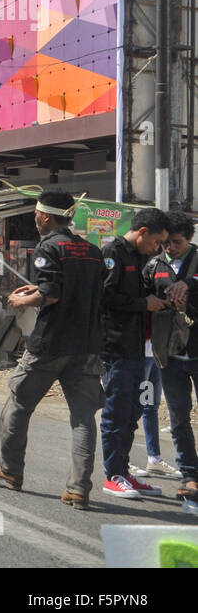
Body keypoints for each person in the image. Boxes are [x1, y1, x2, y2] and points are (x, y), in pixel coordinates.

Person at [0, 191, 105, 509]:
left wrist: (22, 299)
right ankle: (79, 489)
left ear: (47, 217)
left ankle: (11, 471)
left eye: (37, 213)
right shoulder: (92, 251)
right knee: (83, 419)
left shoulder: (48, 247)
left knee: (18, 406)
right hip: (87, 346)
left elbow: (52, 294)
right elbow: (74, 288)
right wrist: (37, 288)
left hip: (49, 344)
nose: (35, 218)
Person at [98, 208, 170, 500]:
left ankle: (124, 471)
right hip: (116, 349)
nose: (158, 248)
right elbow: (105, 296)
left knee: (138, 408)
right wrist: (144, 304)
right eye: (157, 242)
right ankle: (113, 475)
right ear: (143, 233)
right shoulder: (112, 253)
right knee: (116, 412)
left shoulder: (146, 259)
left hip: (140, 351)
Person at [144, 211, 198, 502]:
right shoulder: (154, 265)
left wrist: (190, 284)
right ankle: (190, 476)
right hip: (169, 355)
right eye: (165, 243)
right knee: (178, 417)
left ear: (188, 238)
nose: (170, 248)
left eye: (176, 242)